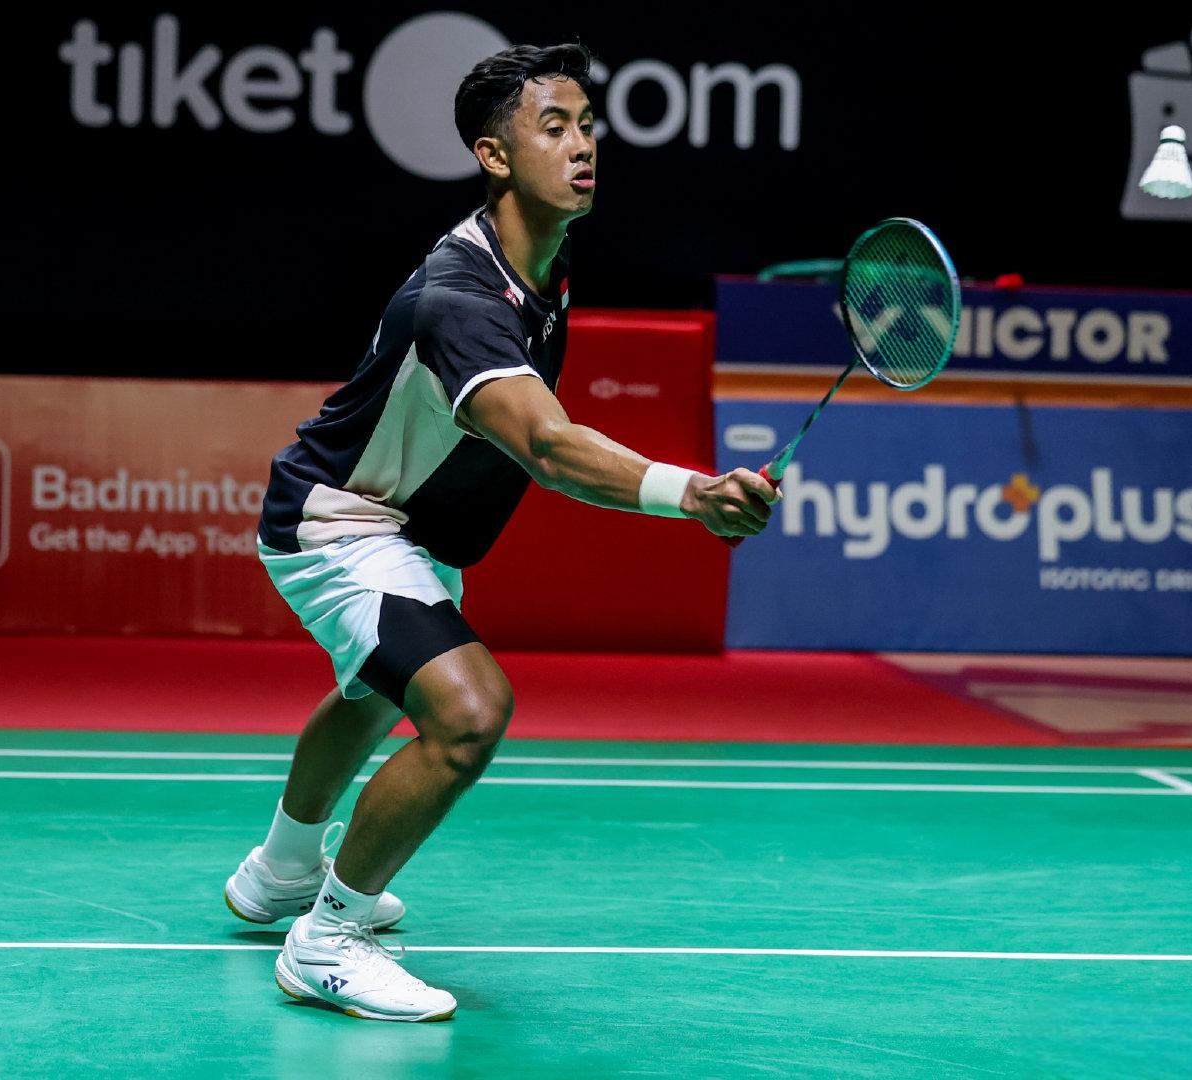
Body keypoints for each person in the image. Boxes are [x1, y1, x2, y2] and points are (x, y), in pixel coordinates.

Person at [223, 42, 780, 1022]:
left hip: (409, 529)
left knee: (370, 692)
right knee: (469, 711)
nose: (583, 145)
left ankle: (280, 874)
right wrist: (694, 494)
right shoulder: (463, 299)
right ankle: (328, 940)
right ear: (493, 155)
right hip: (343, 522)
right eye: (552, 127)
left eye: (588, 125)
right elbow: (550, 448)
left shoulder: (542, 270)